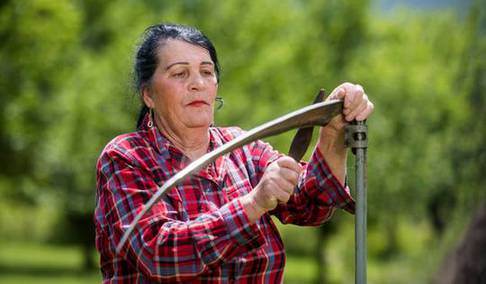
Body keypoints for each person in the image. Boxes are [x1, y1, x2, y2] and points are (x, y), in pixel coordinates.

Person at [94, 23, 374, 283]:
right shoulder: (126, 156)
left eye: (206, 71)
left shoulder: (242, 147)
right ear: (148, 95)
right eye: (180, 73)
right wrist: (253, 204)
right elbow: (160, 256)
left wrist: (333, 133)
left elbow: (311, 206)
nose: (198, 83)